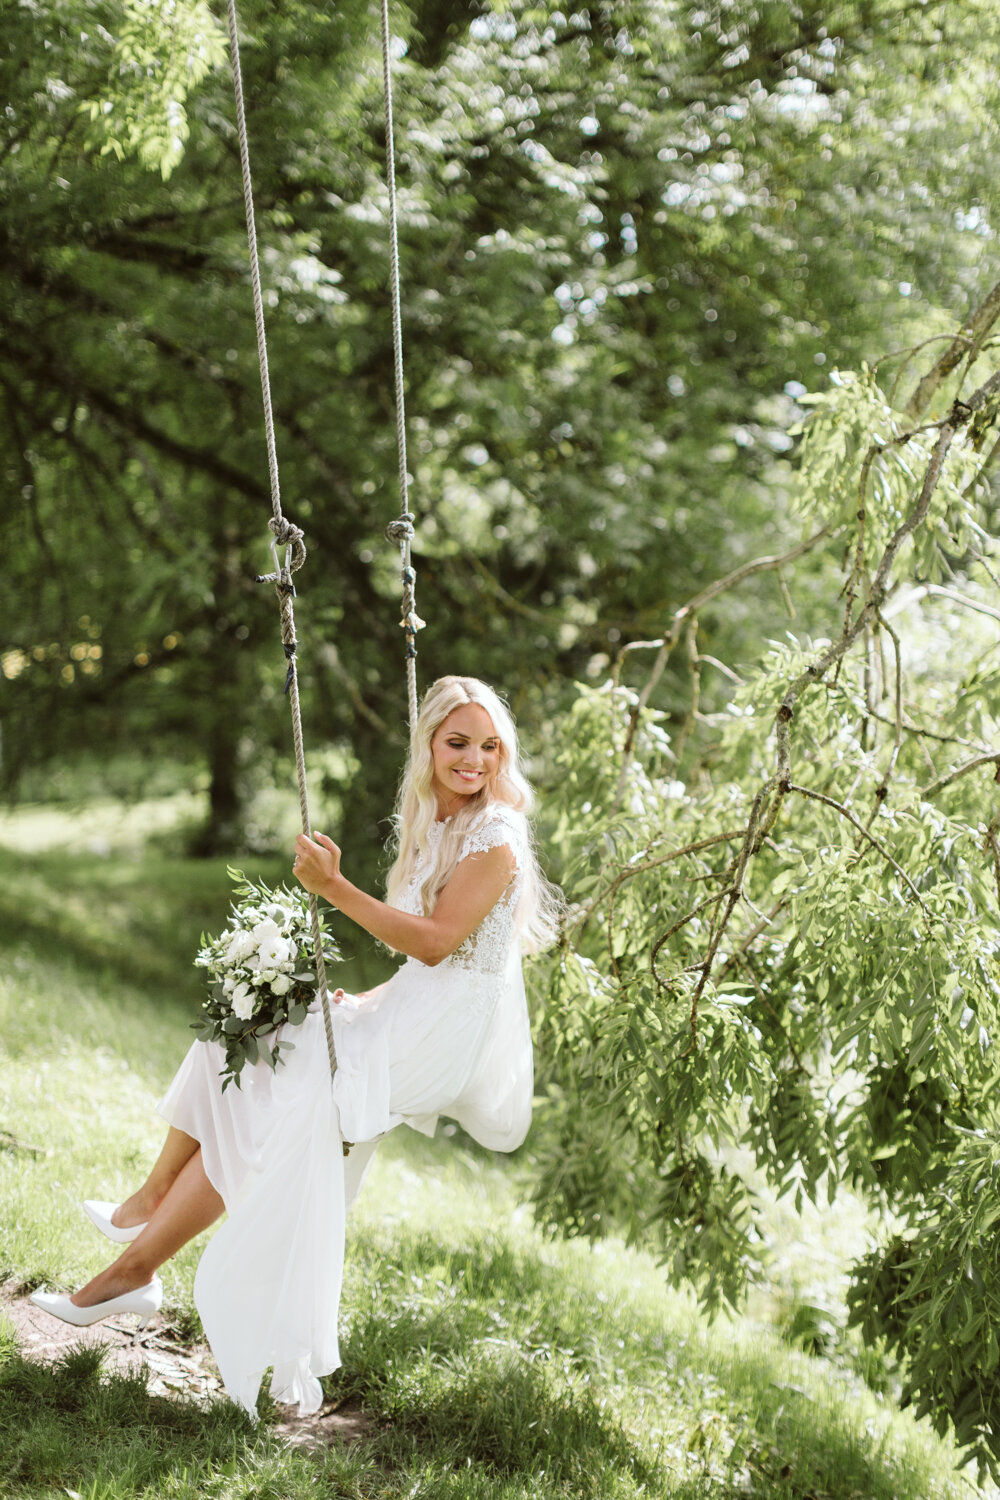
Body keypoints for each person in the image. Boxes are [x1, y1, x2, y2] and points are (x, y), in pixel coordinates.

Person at [31, 675, 557, 1415]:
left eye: (488, 746)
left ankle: (130, 1272)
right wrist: (366, 1001)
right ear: (430, 745)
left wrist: (335, 889)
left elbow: (441, 948)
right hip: (413, 1009)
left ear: (503, 753)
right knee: (239, 1046)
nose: (474, 759)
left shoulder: (495, 834)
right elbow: (427, 970)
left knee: (284, 1101)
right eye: (458, 742)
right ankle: (148, 1202)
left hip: (444, 1041)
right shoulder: (437, 818)